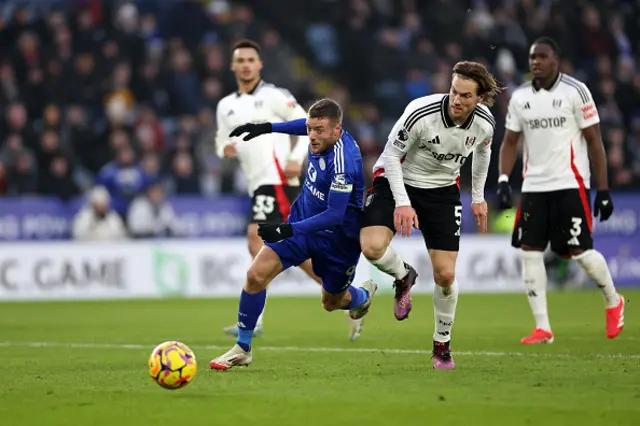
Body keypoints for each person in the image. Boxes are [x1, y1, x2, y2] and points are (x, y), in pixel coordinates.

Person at [209, 99, 376, 370]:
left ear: (337, 131)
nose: (311, 136)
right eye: (310, 129)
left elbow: (334, 214)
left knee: (331, 302)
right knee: (255, 276)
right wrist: (267, 127)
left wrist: (287, 229)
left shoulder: (345, 161)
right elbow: (305, 125)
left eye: (319, 130)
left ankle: (361, 297)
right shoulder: (319, 134)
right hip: (302, 223)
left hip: (337, 240)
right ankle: (243, 347)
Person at [215, 39, 364, 340]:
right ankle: (345, 295)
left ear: (259, 64)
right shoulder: (225, 106)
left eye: (250, 59)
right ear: (232, 66)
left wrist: (296, 159)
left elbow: (308, 123)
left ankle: (254, 319)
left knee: (258, 240)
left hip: (280, 179)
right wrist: (224, 149)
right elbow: (220, 141)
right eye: (240, 60)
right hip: (257, 181)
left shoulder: (274, 95)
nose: (245, 64)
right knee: (294, 248)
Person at [361, 61, 500, 369]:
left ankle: (442, 344)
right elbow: (391, 157)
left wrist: (477, 197)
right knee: (371, 246)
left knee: (446, 275)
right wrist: (403, 202)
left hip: (442, 192)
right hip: (396, 179)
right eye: (453, 91)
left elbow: (483, 152)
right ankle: (402, 275)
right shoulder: (420, 112)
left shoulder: (485, 124)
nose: (456, 100)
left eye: (465, 95)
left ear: (479, 98)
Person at [497, 37, 624, 344]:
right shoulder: (520, 97)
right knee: (530, 251)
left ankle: (612, 299)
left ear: (556, 60)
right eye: (532, 57)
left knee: (580, 252)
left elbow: (595, 141)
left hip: (570, 183)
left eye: (542, 56)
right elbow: (511, 141)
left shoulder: (575, 92)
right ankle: (543, 327)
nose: (535, 62)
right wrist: (503, 179)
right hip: (533, 187)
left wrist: (603, 190)